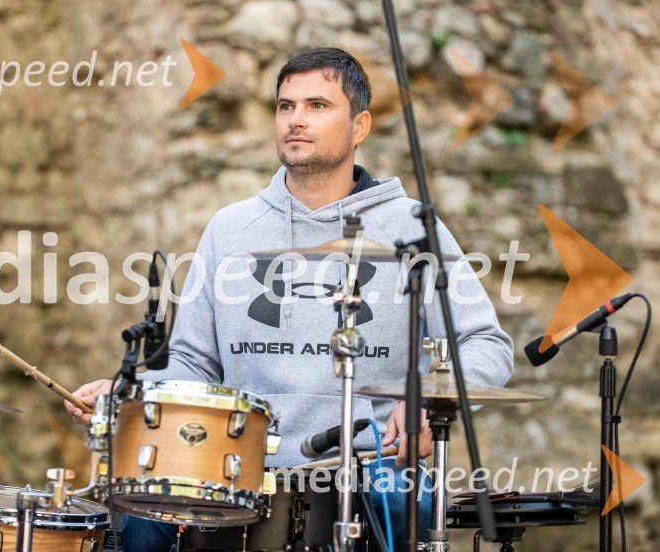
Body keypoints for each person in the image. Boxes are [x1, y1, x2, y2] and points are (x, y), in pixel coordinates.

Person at [67, 47, 514, 551]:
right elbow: (193, 361)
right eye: (286, 106)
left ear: (360, 125)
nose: (296, 120)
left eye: (317, 106)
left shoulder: (412, 227)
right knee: (139, 507)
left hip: (368, 466)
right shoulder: (231, 228)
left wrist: (426, 404)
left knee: (403, 496)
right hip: (239, 472)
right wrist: (128, 396)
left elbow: (486, 344)